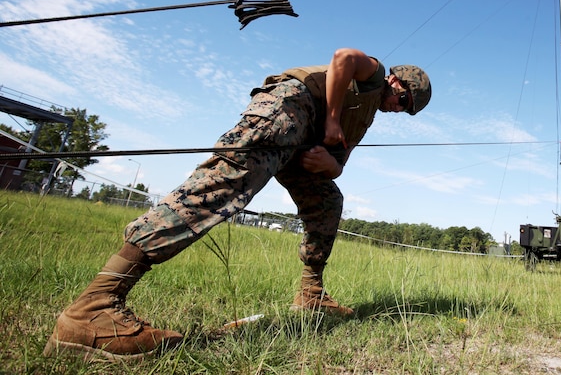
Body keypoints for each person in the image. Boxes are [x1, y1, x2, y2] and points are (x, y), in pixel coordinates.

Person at [44, 48, 432, 360]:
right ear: (396, 80)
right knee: (220, 189)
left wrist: (332, 166)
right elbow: (343, 58)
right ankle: (93, 307)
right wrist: (330, 120)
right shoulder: (374, 73)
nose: (400, 109)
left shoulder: (363, 119)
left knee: (327, 201)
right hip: (287, 111)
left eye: (407, 110)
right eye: (404, 100)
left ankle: (312, 296)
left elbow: (337, 163)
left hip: (302, 142)